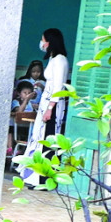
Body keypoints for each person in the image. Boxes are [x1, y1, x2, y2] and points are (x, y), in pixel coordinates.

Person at [20, 28, 69, 187]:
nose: (42, 43)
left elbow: (59, 87)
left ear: (50, 41)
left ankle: (43, 179)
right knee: (40, 139)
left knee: (48, 141)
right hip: (46, 104)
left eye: (43, 39)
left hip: (53, 105)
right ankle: (33, 176)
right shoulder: (53, 59)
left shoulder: (60, 60)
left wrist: (50, 108)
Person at [9, 80, 36, 155]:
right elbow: (19, 112)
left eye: (29, 93)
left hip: (28, 128)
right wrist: (26, 100)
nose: (27, 95)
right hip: (17, 128)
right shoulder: (16, 102)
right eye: (25, 93)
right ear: (19, 93)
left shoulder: (30, 104)